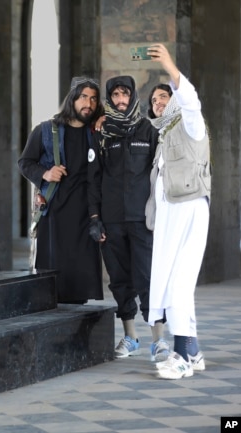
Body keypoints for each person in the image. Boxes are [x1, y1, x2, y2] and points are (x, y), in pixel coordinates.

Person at [87, 76, 167, 360]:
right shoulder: (102, 133)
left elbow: (160, 176)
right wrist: (95, 218)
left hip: (143, 220)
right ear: (110, 99)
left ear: (133, 96)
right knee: (120, 280)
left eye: (125, 94)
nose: (121, 100)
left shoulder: (149, 130)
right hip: (111, 221)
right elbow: (93, 178)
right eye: (116, 95)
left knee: (147, 278)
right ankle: (130, 337)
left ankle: (158, 339)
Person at [144, 43, 211, 380]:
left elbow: (191, 101)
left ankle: (181, 356)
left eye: (163, 97)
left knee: (179, 285)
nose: (158, 103)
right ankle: (194, 350)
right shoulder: (163, 135)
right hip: (170, 219)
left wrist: (171, 68)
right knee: (173, 283)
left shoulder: (190, 124)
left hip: (189, 211)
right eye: (154, 101)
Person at [18, 77, 104, 304]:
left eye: (94, 99)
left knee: (79, 286)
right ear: (73, 99)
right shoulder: (46, 130)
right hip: (55, 214)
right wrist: (45, 174)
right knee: (53, 285)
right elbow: (25, 162)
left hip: (86, 216)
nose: (89, 103)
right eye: (84, 97)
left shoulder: (97, 132)